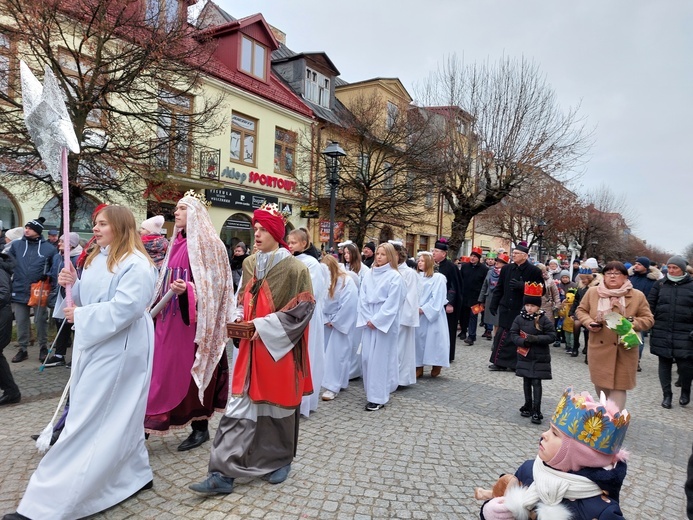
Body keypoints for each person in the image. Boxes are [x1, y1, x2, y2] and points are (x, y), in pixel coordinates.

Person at [6, 205, 158, 520]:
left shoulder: (138, 264)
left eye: (102, 224)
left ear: (120, 226)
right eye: (95, 223)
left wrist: (84, 314)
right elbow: (87, 298)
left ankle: (50, 501)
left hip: (122, 347)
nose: (96, 229)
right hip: (98, 343)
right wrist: (73, 282)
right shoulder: (100, 258)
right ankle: (133, 473)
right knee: (112, 413)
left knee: (91, 416)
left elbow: (128, 307)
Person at [189, 202, 314, 495]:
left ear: (274, 231)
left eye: (261, 229)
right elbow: (242, 296)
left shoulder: (296, 269)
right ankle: (221, 473)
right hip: (249, 350)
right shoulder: (249, 264)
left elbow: (303, 311)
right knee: (238, 409)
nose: (256, 234)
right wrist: (236, 317)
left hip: (279, 352)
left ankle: (280, 460)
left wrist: (263, 326)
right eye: (254, 228)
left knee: (276, 408)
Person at [145, 192, 234, 451]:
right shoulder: (175, 243)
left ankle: (200, 426)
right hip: (167, 320)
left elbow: (217, 289)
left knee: (192, 373)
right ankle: (147, 423)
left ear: (195, 213)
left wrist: (190, 291)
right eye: (177, 209)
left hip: (194, 325)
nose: (176, 213)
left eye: (182, 209)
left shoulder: (211, 246)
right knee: (160, 373)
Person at [479, 387, 630, 520]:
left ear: (579, 455)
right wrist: (490, 512)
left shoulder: (601, 510)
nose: (544, 434)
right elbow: (502, 497)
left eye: (555, 434)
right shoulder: (529, 470)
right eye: (549, 429)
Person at [576, 261, 654, 410]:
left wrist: (632, 323)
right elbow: (581, 310)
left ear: (625, 277)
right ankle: (607, 414)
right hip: (599, 347)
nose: (612, 276)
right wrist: (589, 322)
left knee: (620, 386)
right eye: (608, 273)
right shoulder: (593, 292)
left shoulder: (637, 296)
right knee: (601, 385)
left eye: (617, 273)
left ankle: (614, 420)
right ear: (603, 276)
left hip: (625, 348)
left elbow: (649, 319)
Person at [357, 243, 404, 411]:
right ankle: (371, 391)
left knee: (380, 359)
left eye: (383, 254)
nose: (378, 257)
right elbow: (362, 297)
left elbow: (393, 303)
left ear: (390, 256)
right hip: (368, 319)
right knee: (367, 358)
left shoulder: (394, 277)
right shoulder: (369, 274)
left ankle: (379, 396)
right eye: (377, 253)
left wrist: (377, 320)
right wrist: (367, 318)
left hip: (384, 324)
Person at [6, 217, 57, 363]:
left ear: (38, 231)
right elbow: (8, 262)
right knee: (21, 321)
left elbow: (54, 268)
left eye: (30, 228)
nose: (26, 230)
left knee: (41, 320)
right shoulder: (16, 245)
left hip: (39, 290)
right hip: (19, 288)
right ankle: (23, 349)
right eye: (26, 227)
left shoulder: (49, 248)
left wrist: (46, 275)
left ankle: (43, 347)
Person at [288, 228, 327, 417]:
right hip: (291, 314)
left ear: (304, 244)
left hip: (307, 316)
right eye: (289, 242)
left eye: (294, 242)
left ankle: (305, 402)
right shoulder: (290, 260)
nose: (290, 245)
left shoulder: (312, 264)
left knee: (308, 355)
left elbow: (312, 291)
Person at [488, 241, 543, 371]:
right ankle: (499, 362)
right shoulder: (507, 268)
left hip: (522, 308)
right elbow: (499, 287)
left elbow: (541, 289)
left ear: (525, 255)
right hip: (506, 306)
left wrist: (523, 286)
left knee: (519, 337)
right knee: (502, 335)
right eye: (513, 253)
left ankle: (516, 364)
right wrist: (493, 303)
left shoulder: (534, 271)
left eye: (517, 253)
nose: (514, 255)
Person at [647, 255, 693, 409]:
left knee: (685, 366)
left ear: (682, 269)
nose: (671, 271)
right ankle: (667, 395)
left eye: (675, 268)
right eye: (669, 267)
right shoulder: (660, 284)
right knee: (664, 363)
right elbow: (650, 306)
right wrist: (647, 322)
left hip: (685, 332)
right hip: (662, 329)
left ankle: (685, 391)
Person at [509, 282, 556, 424]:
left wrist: (537, 339)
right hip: (524, 355)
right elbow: (513, 333)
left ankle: (537, 409)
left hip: (539, 356)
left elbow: (552, 336)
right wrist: (522, 342)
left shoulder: (543, 319)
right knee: (526, 380)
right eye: (527, 305)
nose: (529, 308)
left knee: (536, 382)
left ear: (538, 307)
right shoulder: (519, 318)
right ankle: (528, 404)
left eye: (533, 306)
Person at [320, 254, 358, 401]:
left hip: (340, 323)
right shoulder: (324, 280)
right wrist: (324, 319)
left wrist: (336, 321)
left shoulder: (346, 281)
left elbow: (349, 303)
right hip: (327, 322)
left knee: (338, 355)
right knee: (326, 355)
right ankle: (336, 382)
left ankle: (332, 386)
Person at [44, 232, 83, 367]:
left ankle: (76, 355)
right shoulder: (58, 257)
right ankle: (59, 355)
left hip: (74, 295)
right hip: (59, 294)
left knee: (73, 326)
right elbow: (55, 272)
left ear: (71, 244)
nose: (59, 244)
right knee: (60, 323)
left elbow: (80, 277)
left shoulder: (79, 258)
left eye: (62, 242)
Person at [415, 251, 449, 378]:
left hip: (432, 315)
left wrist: (425, 309)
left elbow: (438, 297)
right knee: (417, 340)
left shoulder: (438, 278)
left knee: (434, 340)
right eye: (419, 260)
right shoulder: (416, 276)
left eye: (422, 261)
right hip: (418, 314)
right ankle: (418, 365)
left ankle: (436, 363)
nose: (419, 262)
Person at [392, 242, 420, 387]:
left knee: (401, 350)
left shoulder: (408, 273)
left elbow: (412, 297)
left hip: (402, 317)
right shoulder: (390, 271)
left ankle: (400, 379)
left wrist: (406, 317)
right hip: (390, 317)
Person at [431, 238, 461, 362]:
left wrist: (450, 303)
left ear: (444, 254)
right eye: (433, 251)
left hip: (447, 304)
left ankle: (448, 355)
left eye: (436, 251)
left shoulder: (451, 267)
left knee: (448, 330)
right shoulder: (432, 265)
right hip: (434, 303)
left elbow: (454, 286)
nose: (433, 253)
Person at [458, 246, 488, 345]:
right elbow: (461, 280)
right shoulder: (465, 266)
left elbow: (485, 284)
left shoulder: (484, 269)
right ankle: (463, 331)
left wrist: (482, 299)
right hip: (465, 295)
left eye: (475, 256)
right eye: (471, 256)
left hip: (477, 298)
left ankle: (471, 336)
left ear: (479, 258)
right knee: (463, 315)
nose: (472, 258)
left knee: (473, 316)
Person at [0, 250, 19, 405]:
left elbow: (4, 294)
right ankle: (11, 391)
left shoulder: (0, 269)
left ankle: (12, 391)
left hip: (2, 316)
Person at [478, 253, 508, 340]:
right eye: (497, 260)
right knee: (493, 320)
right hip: (490, 298)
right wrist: (481, 300)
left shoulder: (506, 273)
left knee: (498, 322)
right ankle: (495, 339)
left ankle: (497, 340)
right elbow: (485, 286)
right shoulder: (490, 272)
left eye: (500, 261)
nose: (497, 262)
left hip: (501, 299)